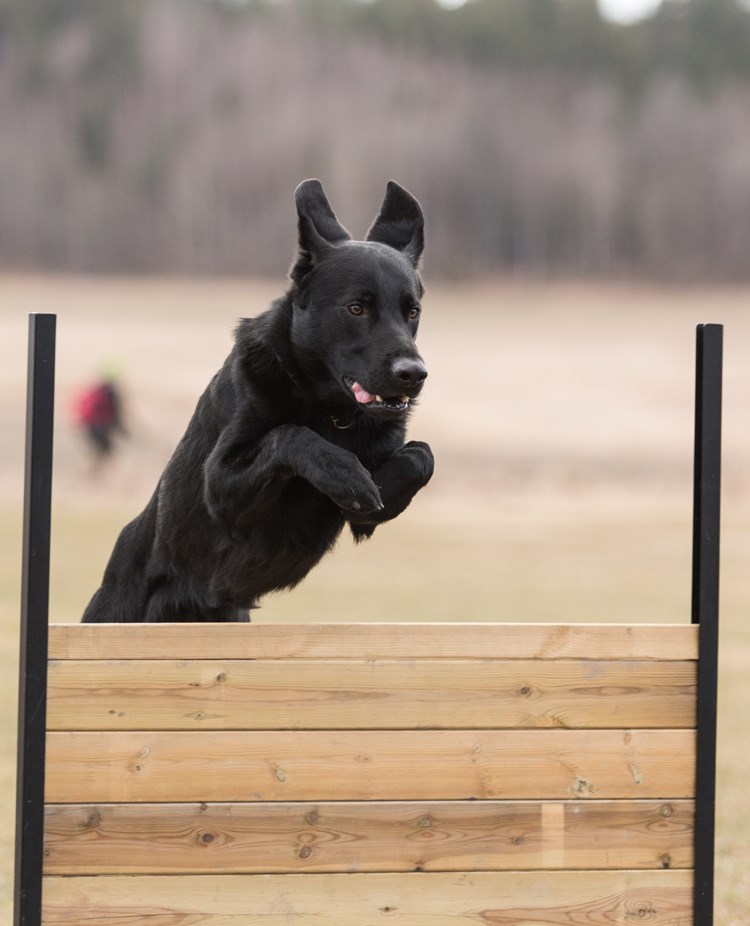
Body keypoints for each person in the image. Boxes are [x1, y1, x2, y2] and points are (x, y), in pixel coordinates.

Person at [71, 373, 127, 467]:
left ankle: (99, 467)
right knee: (105, 448)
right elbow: (115, 412)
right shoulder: (109, 394)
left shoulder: (97, 392)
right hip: (99, 425)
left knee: (103, 448)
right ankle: (101, 468)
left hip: (92, 424)